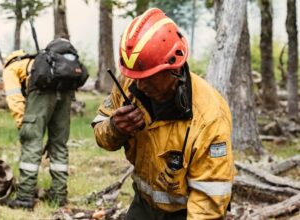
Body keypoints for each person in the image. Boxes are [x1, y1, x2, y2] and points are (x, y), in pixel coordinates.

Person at [92, 8, 235, 219]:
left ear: (174, 68)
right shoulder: (130, 81)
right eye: (134, 76)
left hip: (186, 212)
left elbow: (208, 203)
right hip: (144, 203)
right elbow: (101, 134)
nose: (140, 84)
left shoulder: (209, 118)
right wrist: (115, 128)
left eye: (149, 76)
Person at [3, 38, 84, 209]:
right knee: (59, 144)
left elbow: (15, 99)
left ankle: (24, 197)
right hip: (66, 92)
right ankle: (59, 194)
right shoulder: (38, 61)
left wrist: (24, 125)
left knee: (32, 142)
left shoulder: (10, 68)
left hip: (42, 93)